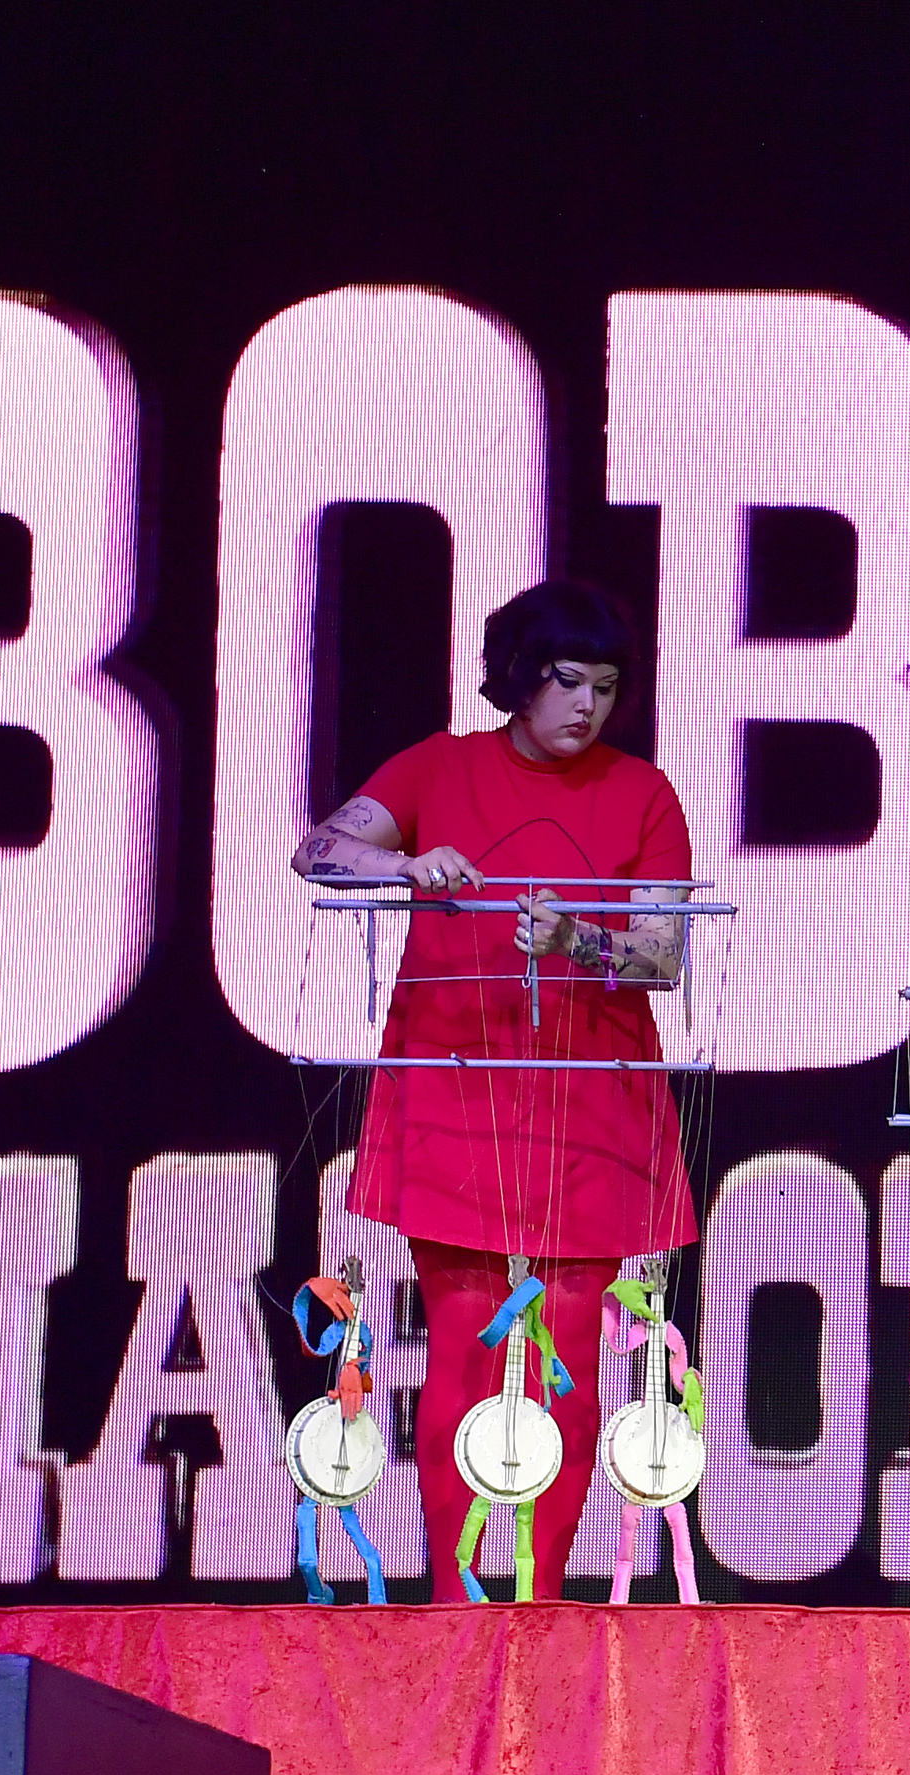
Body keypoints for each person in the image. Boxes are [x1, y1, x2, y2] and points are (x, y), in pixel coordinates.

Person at [292, 579, 693, 1601]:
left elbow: (659, 956)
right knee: (466, 1340)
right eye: (565, 681)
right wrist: (405, 863)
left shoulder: (643, 792)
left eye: (605, 687)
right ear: (519, 676)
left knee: (567, 1349)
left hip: (590, 1102)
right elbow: (319, 850)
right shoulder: (443, 763)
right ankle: (449, 1595)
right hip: (455, 1085)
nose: (586, 707)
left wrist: (575, 937)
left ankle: (542, 1597)